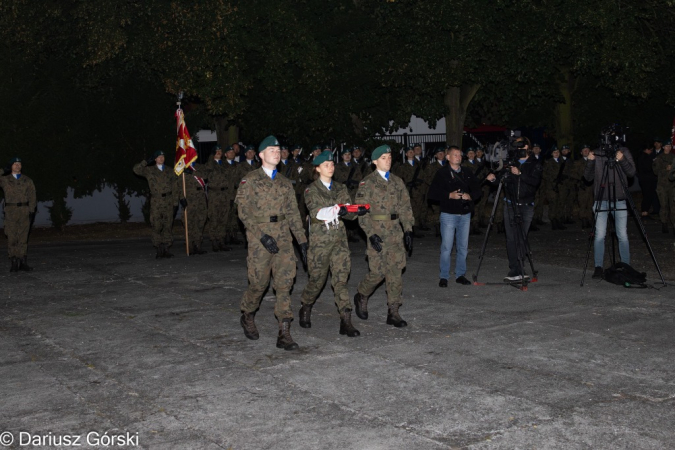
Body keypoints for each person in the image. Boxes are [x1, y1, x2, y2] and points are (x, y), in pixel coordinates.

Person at [236, 135, 308, 350]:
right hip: (260, 240)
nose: (276, 153)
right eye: (271, 150)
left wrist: (302, 241)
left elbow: (294, 214)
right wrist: (262, 235)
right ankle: (247, 314)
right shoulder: (250, 180)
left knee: (285, 284)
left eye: (278, 150)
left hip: (284, 238)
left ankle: (284, 332)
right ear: (261, 155)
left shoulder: (285, 182)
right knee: (258, 284)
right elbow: (243, 212)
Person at [298, 150, 368, 337]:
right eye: (326, 164)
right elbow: (317, 213)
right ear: (317, 168)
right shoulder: (311, 189)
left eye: (332, 164)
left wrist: (355, 211)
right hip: (320, 243)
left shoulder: (340, 188)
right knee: (317, 281)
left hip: (339, 241)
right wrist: (339, 210)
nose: (330, 167)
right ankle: (306, 305)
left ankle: (346, 320)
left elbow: (348, 212)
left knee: (341, 280)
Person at [353, 145, 414, 328]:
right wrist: (370, 234)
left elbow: (405, 207)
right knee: (378, 273)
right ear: (374, 161)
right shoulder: (367, 183)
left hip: (395, 232)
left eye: (389, 157)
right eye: (383, 158)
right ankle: (362, 294)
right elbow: (361, 213)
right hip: (377, 232)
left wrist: (409, 229)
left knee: (395, 272)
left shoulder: (398, 181)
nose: (388, 160)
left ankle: (393, 311)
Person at [486, 137, 543, 281]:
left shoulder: (534, 163)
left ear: (528, 147)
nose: (519, 149)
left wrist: (520, 174)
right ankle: (514, 269)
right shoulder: (512, 161)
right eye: (517, 146)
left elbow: (535, 182)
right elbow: (503, 180)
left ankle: (520, 266)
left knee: (521, 237)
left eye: (522, 146)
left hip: (526, 206)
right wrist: (494, 179)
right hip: (510, 204)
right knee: (511, 238)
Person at [427, 147, 481, 287]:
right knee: (447, 247)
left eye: (460, 155)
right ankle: (444, 276)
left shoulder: (467, 172)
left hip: (465, 214)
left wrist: (471, 196)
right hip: (449, 214)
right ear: (448, 157)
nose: (458, 157)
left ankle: (460, 275)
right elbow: (432, 194)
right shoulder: (442, 173)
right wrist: (449, 195)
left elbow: (477, 189)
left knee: (463, 247)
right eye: (455, 155)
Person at [585, 144, 636, 278]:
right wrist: (590, 162)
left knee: (622, 234)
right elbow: (588, 177)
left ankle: (626, 266)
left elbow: (631, 172)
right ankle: (598, 266)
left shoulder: (624, 151)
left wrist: (622, 159)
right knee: (600, 235)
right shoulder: (597, 152)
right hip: (601, 200)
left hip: (619, 198)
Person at [133, 150, 179, 258]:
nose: (161, 158)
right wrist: (145, 162)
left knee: (168, 224)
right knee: (156, 225)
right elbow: (136, 170)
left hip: (168, 200)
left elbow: (175, 187)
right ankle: (158, 248)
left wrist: (175, 202)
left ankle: (166, 248)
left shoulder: (169, 171)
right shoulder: (149, 170)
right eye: (158, 157)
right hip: (156, 201)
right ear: (155, 159)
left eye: (162, 156)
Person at [1, 157, 37, 271]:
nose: (17, 165)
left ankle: (23, 262)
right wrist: (4, 169)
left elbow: (32, 196)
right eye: (15, 164)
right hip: (11, 211)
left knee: (23, 237)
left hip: (24, 210)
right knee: (12, 237)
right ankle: (14, 262)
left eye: (19, 164)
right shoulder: (5, 180)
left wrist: (31, 210)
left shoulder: (27, 180)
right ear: (11, 166)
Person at [204, 145, 233, 252]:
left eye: (220, 150)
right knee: (214, 217)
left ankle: (221, 240)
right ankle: (214, 241)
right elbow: (208, 169)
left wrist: (230, 196)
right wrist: (212, 157)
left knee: (223, 218)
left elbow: (230, 181)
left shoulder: (225, 165)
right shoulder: (211, 164)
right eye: (216, 151)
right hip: (214, 194)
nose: (219, 152)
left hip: (225, 194)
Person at [394, 146, 427, 237]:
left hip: (419, 190)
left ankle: (417, 227)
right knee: (411, 210)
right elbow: (398, 179)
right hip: (409, 190)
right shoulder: (403, 166)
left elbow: (423, 178)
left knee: (419, 208)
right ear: (406, 154)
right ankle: (412, 229)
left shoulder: (419, 165)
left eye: (412, 151)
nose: (411, 153)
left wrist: (423, 191)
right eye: (409, 152)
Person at [333, 147, 364, 242]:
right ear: (342, 156)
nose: (347, 156)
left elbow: (360, 177)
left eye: (349, 154)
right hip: (343, 192)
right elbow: (337, 178)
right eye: (345, 154)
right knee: (343, 212)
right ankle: (344, 234)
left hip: (353, 192)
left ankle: (352, 233)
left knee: (353, 213)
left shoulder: (355, 166)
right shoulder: (338, 166)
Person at [177, 162, 209, 255]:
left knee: (200, 222)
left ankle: (198, 245)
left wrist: (192, 172)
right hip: (189, 199)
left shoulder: (200, 167)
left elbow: (206, 176)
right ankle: (189, 246)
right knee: (189, 223)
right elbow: (178, 184)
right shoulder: (181, 168)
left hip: (200, 199)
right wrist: (181, 197)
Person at [542, 147, 567, 230]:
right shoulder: (548, 162)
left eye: (557, 152)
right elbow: (544, 174)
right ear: (552, 154)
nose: (556, 153)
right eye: (554, 152)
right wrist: (552, 179)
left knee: (560, 203)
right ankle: (553, 220)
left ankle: (558, 219)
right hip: (551, 186)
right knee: (553, 203)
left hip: (560, 186)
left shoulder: (562, 162)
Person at [652, 140, 674, 233]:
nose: (668, 148)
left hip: (673, 185)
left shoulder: (673, 157)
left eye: (669, 146)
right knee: (664, 205)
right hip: (662, 186)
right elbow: (655, 171)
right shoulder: (659, 158)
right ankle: (664, 223)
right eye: (666, 146)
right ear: (663, 147)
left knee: (673, 206)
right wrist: (666, 169)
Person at [637, 143, 658, 219]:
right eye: (651, 150)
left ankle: (645, 212)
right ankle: (644, 212)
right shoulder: (645, 157)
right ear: (646, 150)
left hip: (644, 179)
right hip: (647, 179)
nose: (651, 151)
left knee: (647, 195)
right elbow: (648, 168)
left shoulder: (642, 157)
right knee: (647, 196)